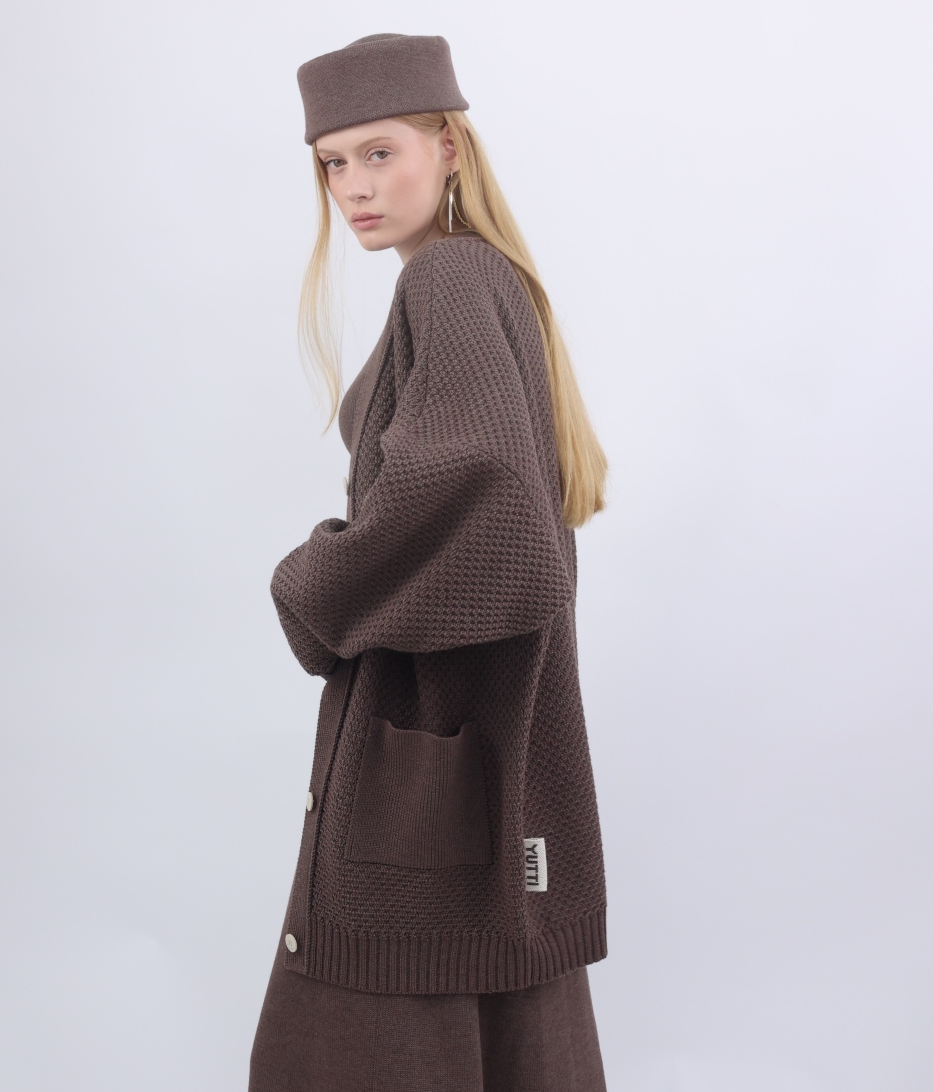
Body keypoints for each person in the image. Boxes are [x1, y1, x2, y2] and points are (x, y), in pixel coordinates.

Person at [249, 33, 609, 1092]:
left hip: (438, 732)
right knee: (496, 1015)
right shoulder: (486, 280)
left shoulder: (449, 279)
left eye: (379, 153)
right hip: (478, 743)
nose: (353, 188)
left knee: (373, 1023)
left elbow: (484, 503)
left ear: (448, 146)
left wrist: (312, 586)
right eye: (332, 163)